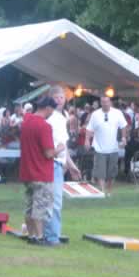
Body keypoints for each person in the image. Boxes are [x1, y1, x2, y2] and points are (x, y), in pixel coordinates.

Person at [19, 97, 65, 244]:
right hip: (41, 172)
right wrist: (59, 148)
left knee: (30, 206)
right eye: (52, 110)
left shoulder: (26, 122)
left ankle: (31, 236)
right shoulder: (44, 126)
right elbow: (48, 153)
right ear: (48, 108)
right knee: (41, 206)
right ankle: (40, 237)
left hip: (27, 171)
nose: (52, 113)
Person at [44, 86, 81, 246]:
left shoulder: (62, 117)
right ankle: (51, 237)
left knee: (54, 201)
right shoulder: (50, 117)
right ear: (50, 99)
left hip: (59, 163)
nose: (59, 100)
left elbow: (63, 146)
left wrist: (71, 165)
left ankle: (51, 234)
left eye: (62, 97)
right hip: (51, 162)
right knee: (54, 202)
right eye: (56, 97)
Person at [85, 96, 129, 196]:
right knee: (100, 173)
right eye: (103, 102)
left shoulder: (117, 113)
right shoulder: (95, 114)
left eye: (107, 101)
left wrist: (123, 138)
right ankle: (102, 191)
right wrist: (87, 140)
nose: (105, 104)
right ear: (100, 103)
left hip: (113, 148)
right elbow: (89, 128)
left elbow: (124, 126)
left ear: (110, 102)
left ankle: (109, 191)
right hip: (99, 148)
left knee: (111, 173)